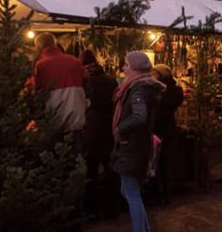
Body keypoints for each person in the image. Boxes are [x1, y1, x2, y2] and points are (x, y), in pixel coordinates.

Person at [111, 51, 165, 232]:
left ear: (134, 68)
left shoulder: (138, 89)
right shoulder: (142, 86)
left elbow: (139, 116)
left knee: (131, 193)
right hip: (137, 144)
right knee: (128, 191)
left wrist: (120, 128)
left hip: (132, 146)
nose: (123, 68)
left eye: (126, 64)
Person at [78, 49, 119, 220]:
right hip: (109, 129)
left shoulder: (86, 81)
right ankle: (112, 208)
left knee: (91, 172)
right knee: (111, 171)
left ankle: (92, 210)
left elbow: (84, 104)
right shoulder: (111, 80)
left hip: (92, 130)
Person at [31, 33, 86, 151]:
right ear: (54, 43)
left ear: (39, 47)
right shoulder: (74, 61)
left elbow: (37, 92)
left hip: (54, 118)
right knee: (76, 157)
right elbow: (86, 84)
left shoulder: (41, 65)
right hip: (76, 116)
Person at [150, 64, 184, 203]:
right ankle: (163, 190)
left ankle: (162, 191)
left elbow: (161, 108)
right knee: (162, 160)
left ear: (161, 75)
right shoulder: (172, 90)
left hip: (161, 129)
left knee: (161, 160)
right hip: (167, 128)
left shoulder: (168, 91)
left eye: (154, 73)